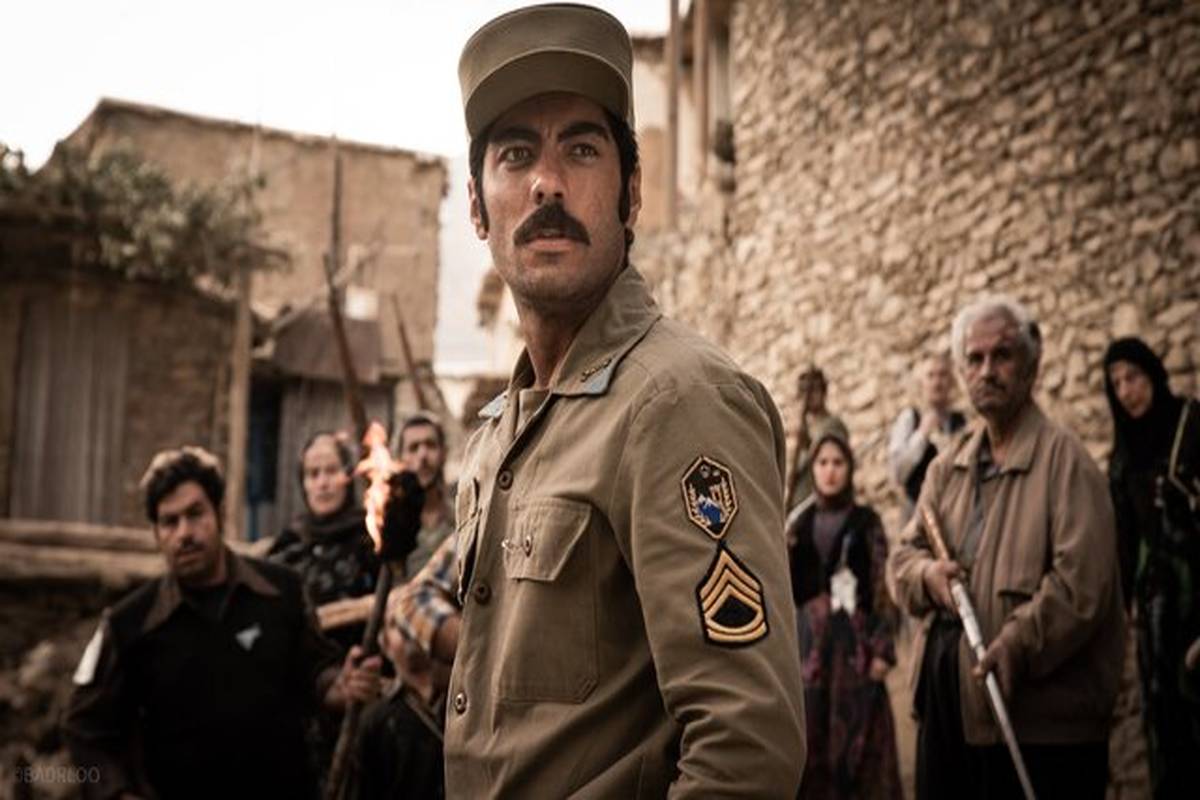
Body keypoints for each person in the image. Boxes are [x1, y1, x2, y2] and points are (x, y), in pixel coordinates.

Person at [437, 5, 807, 795]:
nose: (547, 182)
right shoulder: (500, 435)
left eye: (581, 149)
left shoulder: (678, 402)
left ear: (631, 193)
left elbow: (747, 751)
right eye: (515, 154)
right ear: (476, 207)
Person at [888, 296, 1124, 799]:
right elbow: (902, 560)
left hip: (1038, 729)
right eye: (974, 359)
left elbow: (1082, 585)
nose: (987, 370)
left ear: (1032, 366)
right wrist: (928, 578)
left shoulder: (1067, 464)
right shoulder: (945, 469)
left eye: (1002, 355)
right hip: (949, 713)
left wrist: (1018, 643)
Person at [63, 446, 382, 800]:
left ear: (219, 513)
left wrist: (341, 686)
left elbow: (315, 668)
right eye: (170, 522)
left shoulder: (281, 590)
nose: (185, 532)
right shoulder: (129, 623)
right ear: (156, 533)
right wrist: (116, 793)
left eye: (195, 513)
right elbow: (84, 728)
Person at [1103, 336, 1200, 799]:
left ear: (1153, 374)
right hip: (1156, 611)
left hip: (1196, 591)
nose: (1126, 390)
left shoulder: (1190, 426)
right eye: (1116, 383)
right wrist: (1124, 607)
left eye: (1133, 377)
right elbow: (1122, 541)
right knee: (1165, 713)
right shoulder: (1122, 457)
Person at [788, 428, 901, 799]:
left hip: (855, 656)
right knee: (812, 756)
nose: (830, 470)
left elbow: (882, 589)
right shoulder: (798, 526)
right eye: (822, 462)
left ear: (849, 468)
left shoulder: (866, 522)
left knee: (860, 757)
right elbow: (785, 594)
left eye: (838, 462)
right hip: (810, 660)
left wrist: (882, 649)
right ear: (813, 469)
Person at [268, 431, 379, 653]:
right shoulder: (290, 542)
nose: (322, 483)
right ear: (303, 483)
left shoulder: (370, 538)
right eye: (313, 474)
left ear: (348, 477)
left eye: (331, 471)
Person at [354, 590, 449, 800]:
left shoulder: (464, 695)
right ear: (385, 644)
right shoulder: (377, 721)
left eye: (413, 619)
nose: (407, 631)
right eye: (395, 624)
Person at [888, 351, 967, 521]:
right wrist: (921, 436)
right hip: (916, 515)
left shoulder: (961, 422)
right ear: (921, 383)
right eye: (930, 376)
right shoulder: (909, 419)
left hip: (954, 515)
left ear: (951, 381)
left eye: (942, 375)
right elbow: (897, 473)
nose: (937, 382)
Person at [395, 412, 454, 578]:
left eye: (431, 445)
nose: (423, 455)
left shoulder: (463, 518)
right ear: (400, 459)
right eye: (413, 448)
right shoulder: (392, 528)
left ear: (444, 453)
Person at [786, 366, 848, 512]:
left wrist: (807, 444)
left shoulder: (832, 425)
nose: (809, 396)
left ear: (823, 391)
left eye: (814, 390)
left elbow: (829, 459)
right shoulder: (803, 428)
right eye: (803, 391)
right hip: (799, 504)